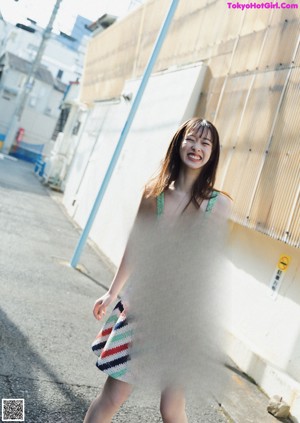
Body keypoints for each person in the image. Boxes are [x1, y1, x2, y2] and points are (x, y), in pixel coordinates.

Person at [84, 117, 232, 423]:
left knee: (171, 407)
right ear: (179, 143)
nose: (197, 148)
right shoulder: (155, 194)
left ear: (212, 153)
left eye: (206, 143)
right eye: (192, 139)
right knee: (114, 396)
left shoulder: (219, 206)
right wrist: (112, 292)